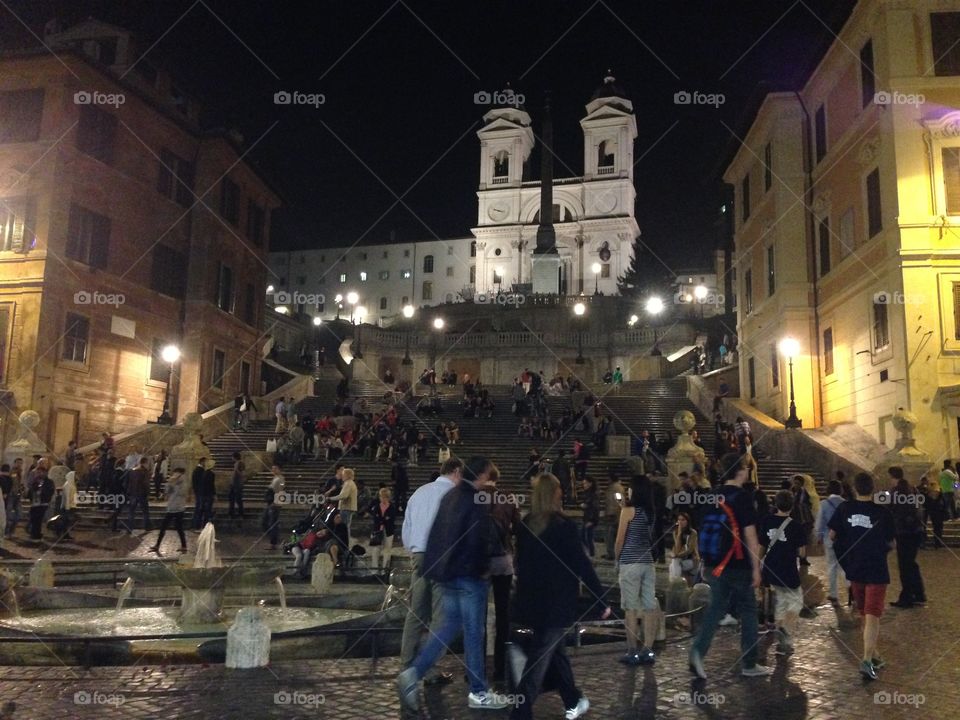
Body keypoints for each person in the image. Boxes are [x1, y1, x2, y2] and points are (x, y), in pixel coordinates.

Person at [396, 456, 509, 712]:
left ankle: (412, 673)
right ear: (479, 475)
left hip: (445, 572)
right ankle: (479, 692)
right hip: (468, 575)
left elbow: (435, 534)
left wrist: (436, 569)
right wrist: (482, 570)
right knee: (473, 632)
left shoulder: (449, 497)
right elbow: (477, 540)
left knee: (447, 627)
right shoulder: (474, 500)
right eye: (487, 475)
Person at [510, 473, 611, 720]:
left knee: (556, 652)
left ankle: (573, 700)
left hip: (531, 600)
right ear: (556, 495)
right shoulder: (564, 526)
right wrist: (599, 598)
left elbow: (520, 565)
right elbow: (581, 564)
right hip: (556, 603)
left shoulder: (525, 525)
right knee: (540, 658)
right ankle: (520, 711)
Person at [689, 452, 771, 679]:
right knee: (749, 610)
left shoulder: (711, 495)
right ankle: (750, 663)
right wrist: (756, 568)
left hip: (713, 564)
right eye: (746, 468)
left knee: (716, 608)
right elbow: (750, 535)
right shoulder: (742, 497)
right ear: (741, 470)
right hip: (737, 564)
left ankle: (698, 650)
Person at [398, 458, 462, 687]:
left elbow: (406, 528)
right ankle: (428, 668)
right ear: (455, 472)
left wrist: (414, 552)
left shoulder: (419, 493)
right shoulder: (454, 496)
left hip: (419, 555)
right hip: (443, 557)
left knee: (416, 613)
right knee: (440, 617)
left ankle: (406, 665)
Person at [829, 472, 896, 680]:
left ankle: (874, 655)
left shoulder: (844, 509)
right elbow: (892, 543)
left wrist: (846, 552)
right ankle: (866, 660)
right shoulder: (882, 513)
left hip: (854, 568)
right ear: (873, 488)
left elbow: (832, 535)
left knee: (864, 612)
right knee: (872, 615)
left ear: (855, 488)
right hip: (876, 569)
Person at [616, 475, 659, 665]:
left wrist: (617, 559)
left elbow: (620, 540)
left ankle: (632, 651)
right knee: (650, 607)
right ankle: (648, 650)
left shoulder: (627, 511)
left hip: (630, 562)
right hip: (647, 562)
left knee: (631, 608)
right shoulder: (650, 512)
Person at [759, 490, 807, 655]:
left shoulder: (766, 521)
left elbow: (761, 547)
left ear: (776, 504)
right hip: (788, 569)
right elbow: (801, 553)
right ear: (792, 506)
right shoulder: (796, 526)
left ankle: (782, 638)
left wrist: (759, 565)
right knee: (795, 602)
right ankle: (785, 632)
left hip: (770, 568)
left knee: (779, 602)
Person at [486, 464, 520, 683]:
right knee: (503, 615)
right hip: (503, 560)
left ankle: (475, 670)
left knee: (476, 617)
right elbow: (518, 528)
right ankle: (501, 669)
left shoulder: (473, 498)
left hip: (478, 563)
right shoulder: (507, 498)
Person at [888, 468, 926, 608]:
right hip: (916, 531)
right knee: (911, 564)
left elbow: (893, 511)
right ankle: (919, 593)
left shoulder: (897, 491)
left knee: (905, 565)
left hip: (904, 532)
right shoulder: (913, 489)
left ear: (892, 477)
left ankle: (907, 597)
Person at [815, 479, 846, 603]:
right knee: (844, 565)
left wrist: (819, 536)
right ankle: (850, 586)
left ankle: (834, 593)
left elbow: (820, 522)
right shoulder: (845, 503)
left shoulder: (824, 504)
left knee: (832, 565)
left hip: (829, 538)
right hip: (844, 540)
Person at [150, 468, 188, 554]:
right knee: (163, 527)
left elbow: (182, 493)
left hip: (179, 508)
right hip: (171, 508)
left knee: (179, 528)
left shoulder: (184, 483)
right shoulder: (172, 481)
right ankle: (157, 545)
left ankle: (184, 546)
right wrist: (169, 484)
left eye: (176, 473)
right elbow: (166, 492)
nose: (174, 475)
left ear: (180, 474)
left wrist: (175, 485)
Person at [369, 487, 398, 571]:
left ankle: (385, 569)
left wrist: (382, 519)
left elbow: (391, 518)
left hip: (388, 530)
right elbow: (376, 518)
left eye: (385, 497)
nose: (382, 499)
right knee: (375, 549)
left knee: (387, 549)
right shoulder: (377, 507)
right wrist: (384, 519)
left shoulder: (392, 507)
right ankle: (374, 569)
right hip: (377, 530)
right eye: (381, 497)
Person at [327, 468, 358, 540]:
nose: (342, 476)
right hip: (347, 507)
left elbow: (343, 496)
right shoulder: (349, 483)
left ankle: (345, 542)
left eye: (343, 474)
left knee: (345, 526)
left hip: (346, 507)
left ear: (347, 475)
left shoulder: (348, 484)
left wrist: (331, 498)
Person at [126, 456, 152, 532]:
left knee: (131, 512)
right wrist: (148, 493)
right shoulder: (145, 471)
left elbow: (129, 483)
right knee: (145, 512)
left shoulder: (133, 471)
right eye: (148, 463)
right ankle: (147, 527)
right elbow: (146, 483)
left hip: (133, 494)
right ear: (145, 462)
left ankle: (129, 528)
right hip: (142, 494)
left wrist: (129, 492)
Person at [671, 512, 700, 580]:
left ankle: (676, 581)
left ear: (687, 521)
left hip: (692, 560)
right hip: (680, 560)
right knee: (674, 564)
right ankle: (676, 581)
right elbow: (677, 548)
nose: (680, 522)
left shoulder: (693, 533)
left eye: (683, 520)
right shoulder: (675, 532)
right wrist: (679, 534)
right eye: (679, 520)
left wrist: (677, 555)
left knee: (675, 564)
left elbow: (690, 550)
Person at [263, 465, 285, 550]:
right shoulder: (275, 478)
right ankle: (274, 539)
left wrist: (276, 502)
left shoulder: (280, 479)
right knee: (267, 522)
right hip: (271, 503)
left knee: (272, 523)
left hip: (275, 504)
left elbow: (281, 491)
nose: (273, 470)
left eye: (275, 468)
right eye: (272, 468)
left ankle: (273, 542)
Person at [604, 472, 625, 560]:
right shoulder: (616, 487)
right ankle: (613, 552)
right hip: (614, 512)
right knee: (612, 534)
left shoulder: (615, 488)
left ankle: (611, 553)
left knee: (610, 534)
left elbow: (619, 501)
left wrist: (617, 511)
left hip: (613, 513)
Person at [579, 476, 599, 558]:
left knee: (587, 537)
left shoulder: (593, 494)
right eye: (583, 483)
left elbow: (594, 507)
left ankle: (590, 553)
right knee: (585, 536)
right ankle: (590, 553)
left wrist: (592, 520)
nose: (584, 485)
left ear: (590, 483)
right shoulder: (588, 493)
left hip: (590, 518)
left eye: (585, 483)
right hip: (587, 517)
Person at [228, 452, 245, 518]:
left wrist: (236, 470)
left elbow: (242, 474)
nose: (231, 458)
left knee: (238, 499)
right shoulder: (236, 463)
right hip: (234, 484)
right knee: (231, 498)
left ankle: (240, 513)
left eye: (232, 457)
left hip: (237, 484)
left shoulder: (240, 463)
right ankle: (231, 513)